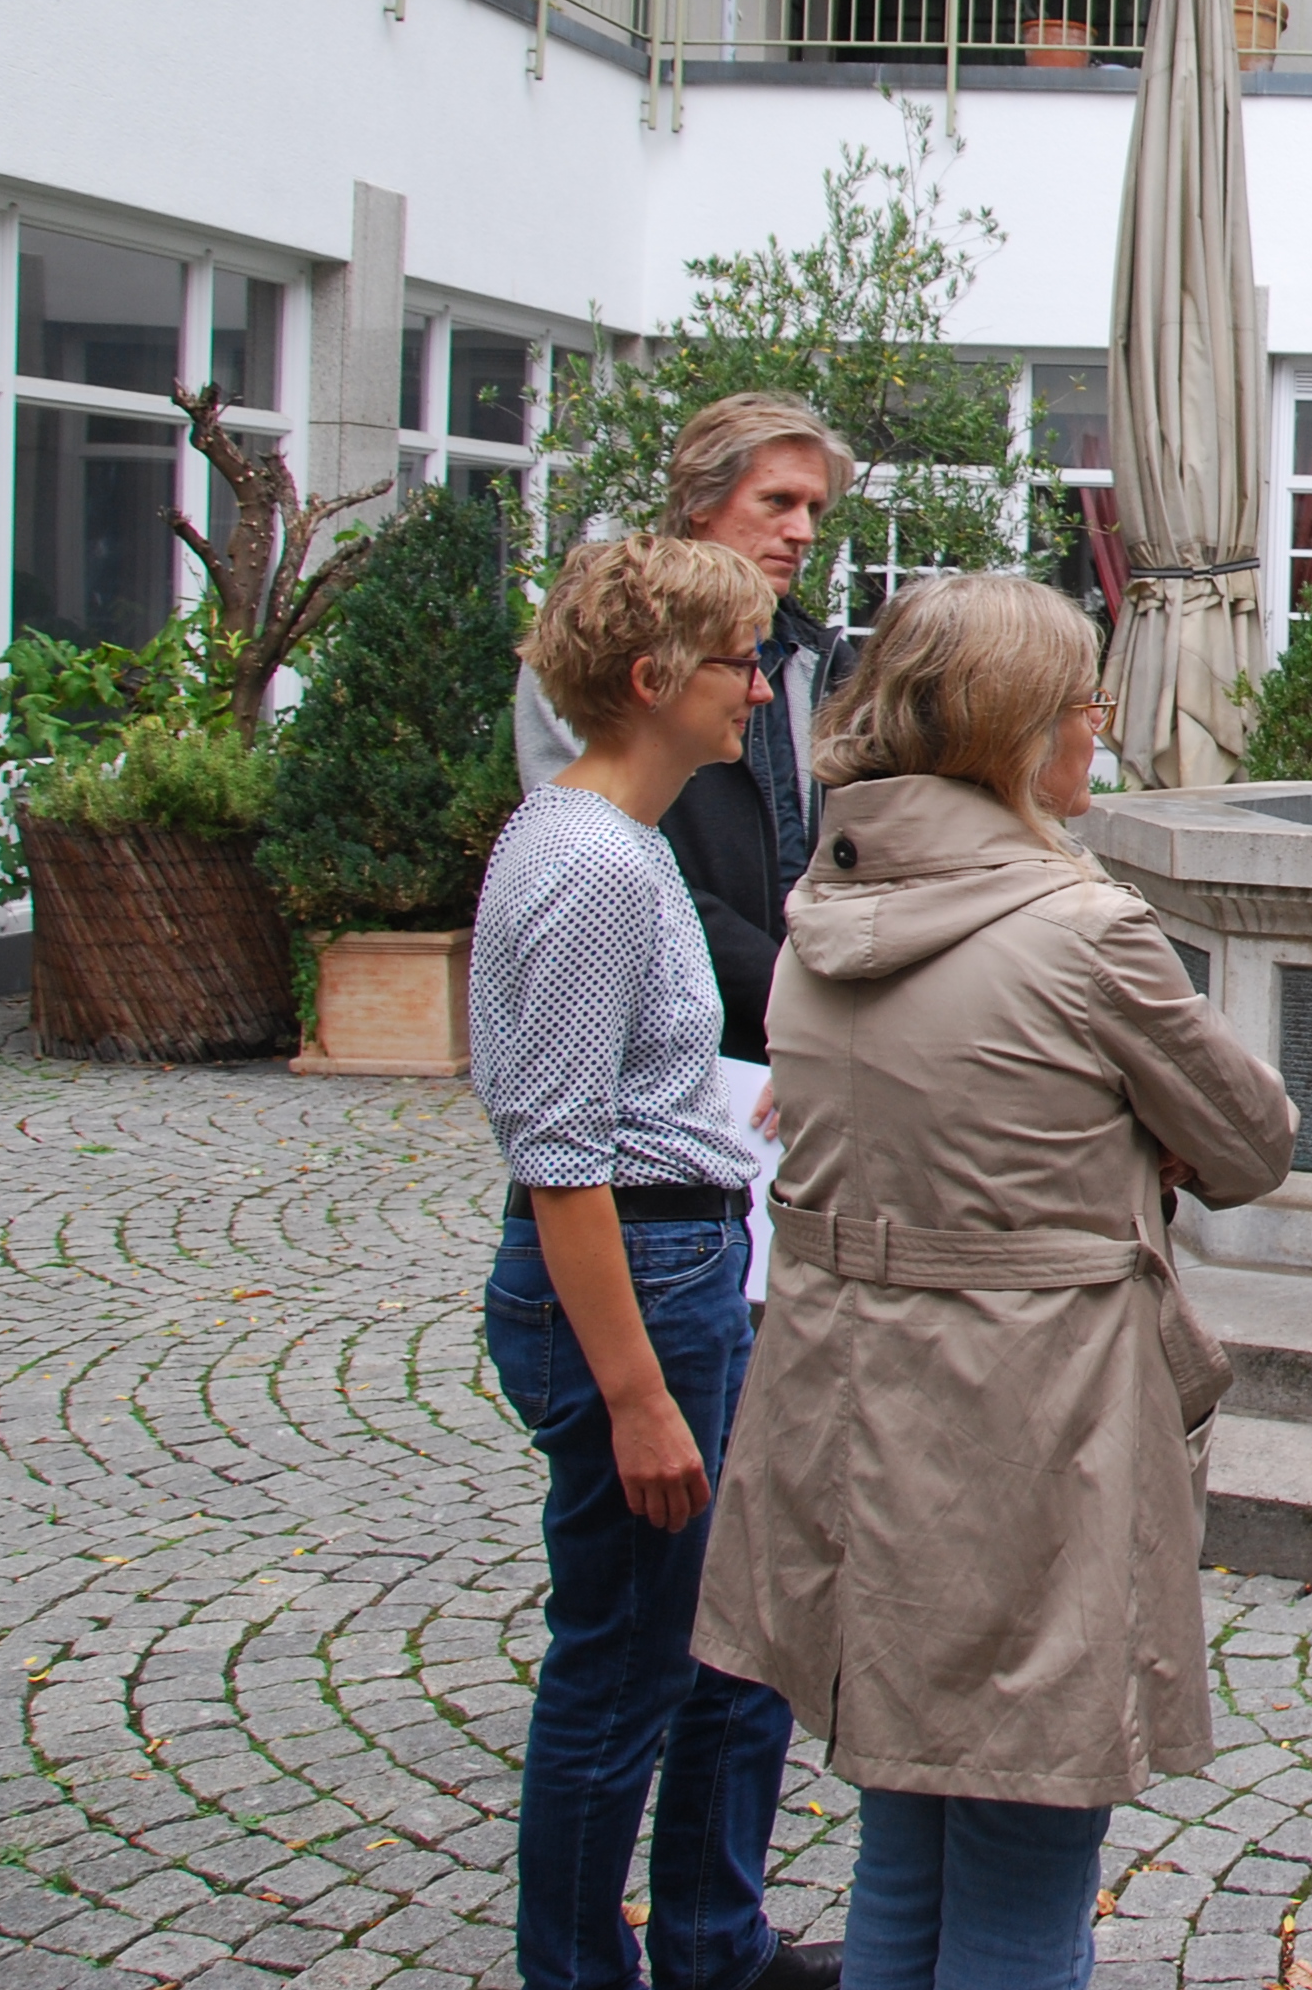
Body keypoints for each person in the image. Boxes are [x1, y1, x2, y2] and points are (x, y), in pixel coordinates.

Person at [693, 573, 1299, 1990]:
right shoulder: (1084, 934)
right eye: (1085, 702)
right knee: (1028, 1867)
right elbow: (1252, 1141)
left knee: (904, 1841)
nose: (1102, 727)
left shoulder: (827, 907)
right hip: (1030, 1427)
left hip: (851, 1408)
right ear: (1022, 734)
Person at [473, 534, 832, 1990]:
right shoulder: (586, 865)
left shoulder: (619, 849)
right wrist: (635, 1397)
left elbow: (621, 1095)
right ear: (652, 680)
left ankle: (706, 1949)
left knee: (707, 1656)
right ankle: (575, 1971)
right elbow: (561, 1159)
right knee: (618, 1679)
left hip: (681, 1258)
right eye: (740, 663)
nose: (759, 691)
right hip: (634, 1290)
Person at [520, 393, 856, 1060]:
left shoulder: (822, 665)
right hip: (663, 1047)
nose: (804, 531)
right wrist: (792, 1004)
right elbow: (608, 870)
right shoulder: (598, 650)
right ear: (701, 501)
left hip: (811, 1044)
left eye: (814, 509)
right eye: (778, 502)